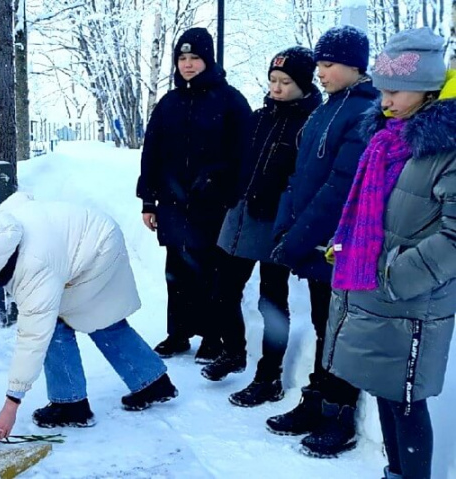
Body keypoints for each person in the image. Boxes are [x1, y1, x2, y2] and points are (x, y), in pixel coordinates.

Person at [323, 28, 456, 479]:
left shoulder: (446, 149)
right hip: (377, 295)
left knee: (405, 399)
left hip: (412, 301)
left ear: (426, 89)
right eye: (382, 89)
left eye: (395, 91)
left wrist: (397, 275)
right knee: (386, 391)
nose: (385, 100)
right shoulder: (386, 138)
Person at [0, 193, 178, 437]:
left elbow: (32, 337)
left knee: (61, 324)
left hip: (98, 251)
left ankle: (70, 404)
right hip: (86, 239)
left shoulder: (32, 266)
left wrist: (11, 404)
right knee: (100, 318)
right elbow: (23, 199)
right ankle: (152, 383)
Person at [267, 25, 379, 458]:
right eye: (319, 64)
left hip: (339, 246)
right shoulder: (328, 108)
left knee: (340, 330)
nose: (321, 72)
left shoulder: (365, 111)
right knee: (322, 323)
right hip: (311, 241)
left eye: (328, 64)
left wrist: (299, 236)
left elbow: (339, 188)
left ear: (355, 65)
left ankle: (339, 413)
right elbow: (299, 176)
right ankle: (316, 399)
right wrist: (285, 228)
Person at [201, 47, 323, 404]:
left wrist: (281, 200)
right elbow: (240, 161)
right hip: (240, 216)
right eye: (273, 80)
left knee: (272, 301)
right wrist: (225, 186)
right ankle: (234, 350)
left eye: (286, 82)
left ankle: (268, 376)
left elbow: (305, 177)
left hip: (276, 223)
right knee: (222, 290)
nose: (277, 88)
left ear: (303, 84)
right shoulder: (260, 117)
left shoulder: (310, 123)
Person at [136, 27, 252, 364]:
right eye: (182, 58)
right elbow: (152, 153)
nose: (187, 65)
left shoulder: (230, 101)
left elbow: (243, 155)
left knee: (210, 273)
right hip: (173, 204)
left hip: (213, 206)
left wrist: (228, 192)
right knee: (178, 272)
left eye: (195, 58)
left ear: (208, 60)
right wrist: (148, 200)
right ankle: (179, 333)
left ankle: (213, 337)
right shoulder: (169, 103)